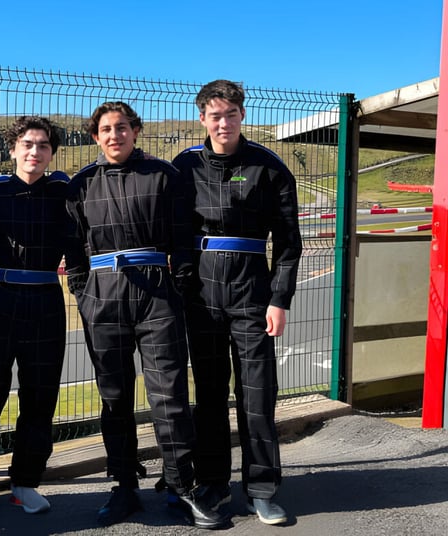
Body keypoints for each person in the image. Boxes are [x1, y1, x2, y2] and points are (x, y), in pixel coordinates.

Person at [64, 101, 226, 529]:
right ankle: (123, 487)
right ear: (95, 136)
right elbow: (74, 253)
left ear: (136, 131)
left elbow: (183, 241)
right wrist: (85, 296)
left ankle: (181, 487)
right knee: (114, 397)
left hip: (158, 298)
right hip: (103, 299)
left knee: (169, 397)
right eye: (105, 129)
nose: (114, 135)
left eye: (122, 127)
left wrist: (177, 288)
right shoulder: (81, 184)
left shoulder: (163, 176)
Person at [171, 79, 302, 526]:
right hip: (203, 295)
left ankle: (262, 489)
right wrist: (184, 285)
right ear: (202, 119)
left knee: (257, 394)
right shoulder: (184, 166)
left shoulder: (268, 167)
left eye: (230, 114)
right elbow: (173, 232)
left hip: (253, 293)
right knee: (208, 394)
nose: (222, 123)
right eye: (214, 115)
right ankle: (212, 483)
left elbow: (287, 242)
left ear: (242, 116)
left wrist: (279, 299)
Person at [0, 116, 69, 516]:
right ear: (12, 149)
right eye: (27, 144)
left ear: (51, 153)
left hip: (45, 301)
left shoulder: (63, 191)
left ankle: (25, 482)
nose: (35, 152)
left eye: (43, 146)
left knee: (40, 398)